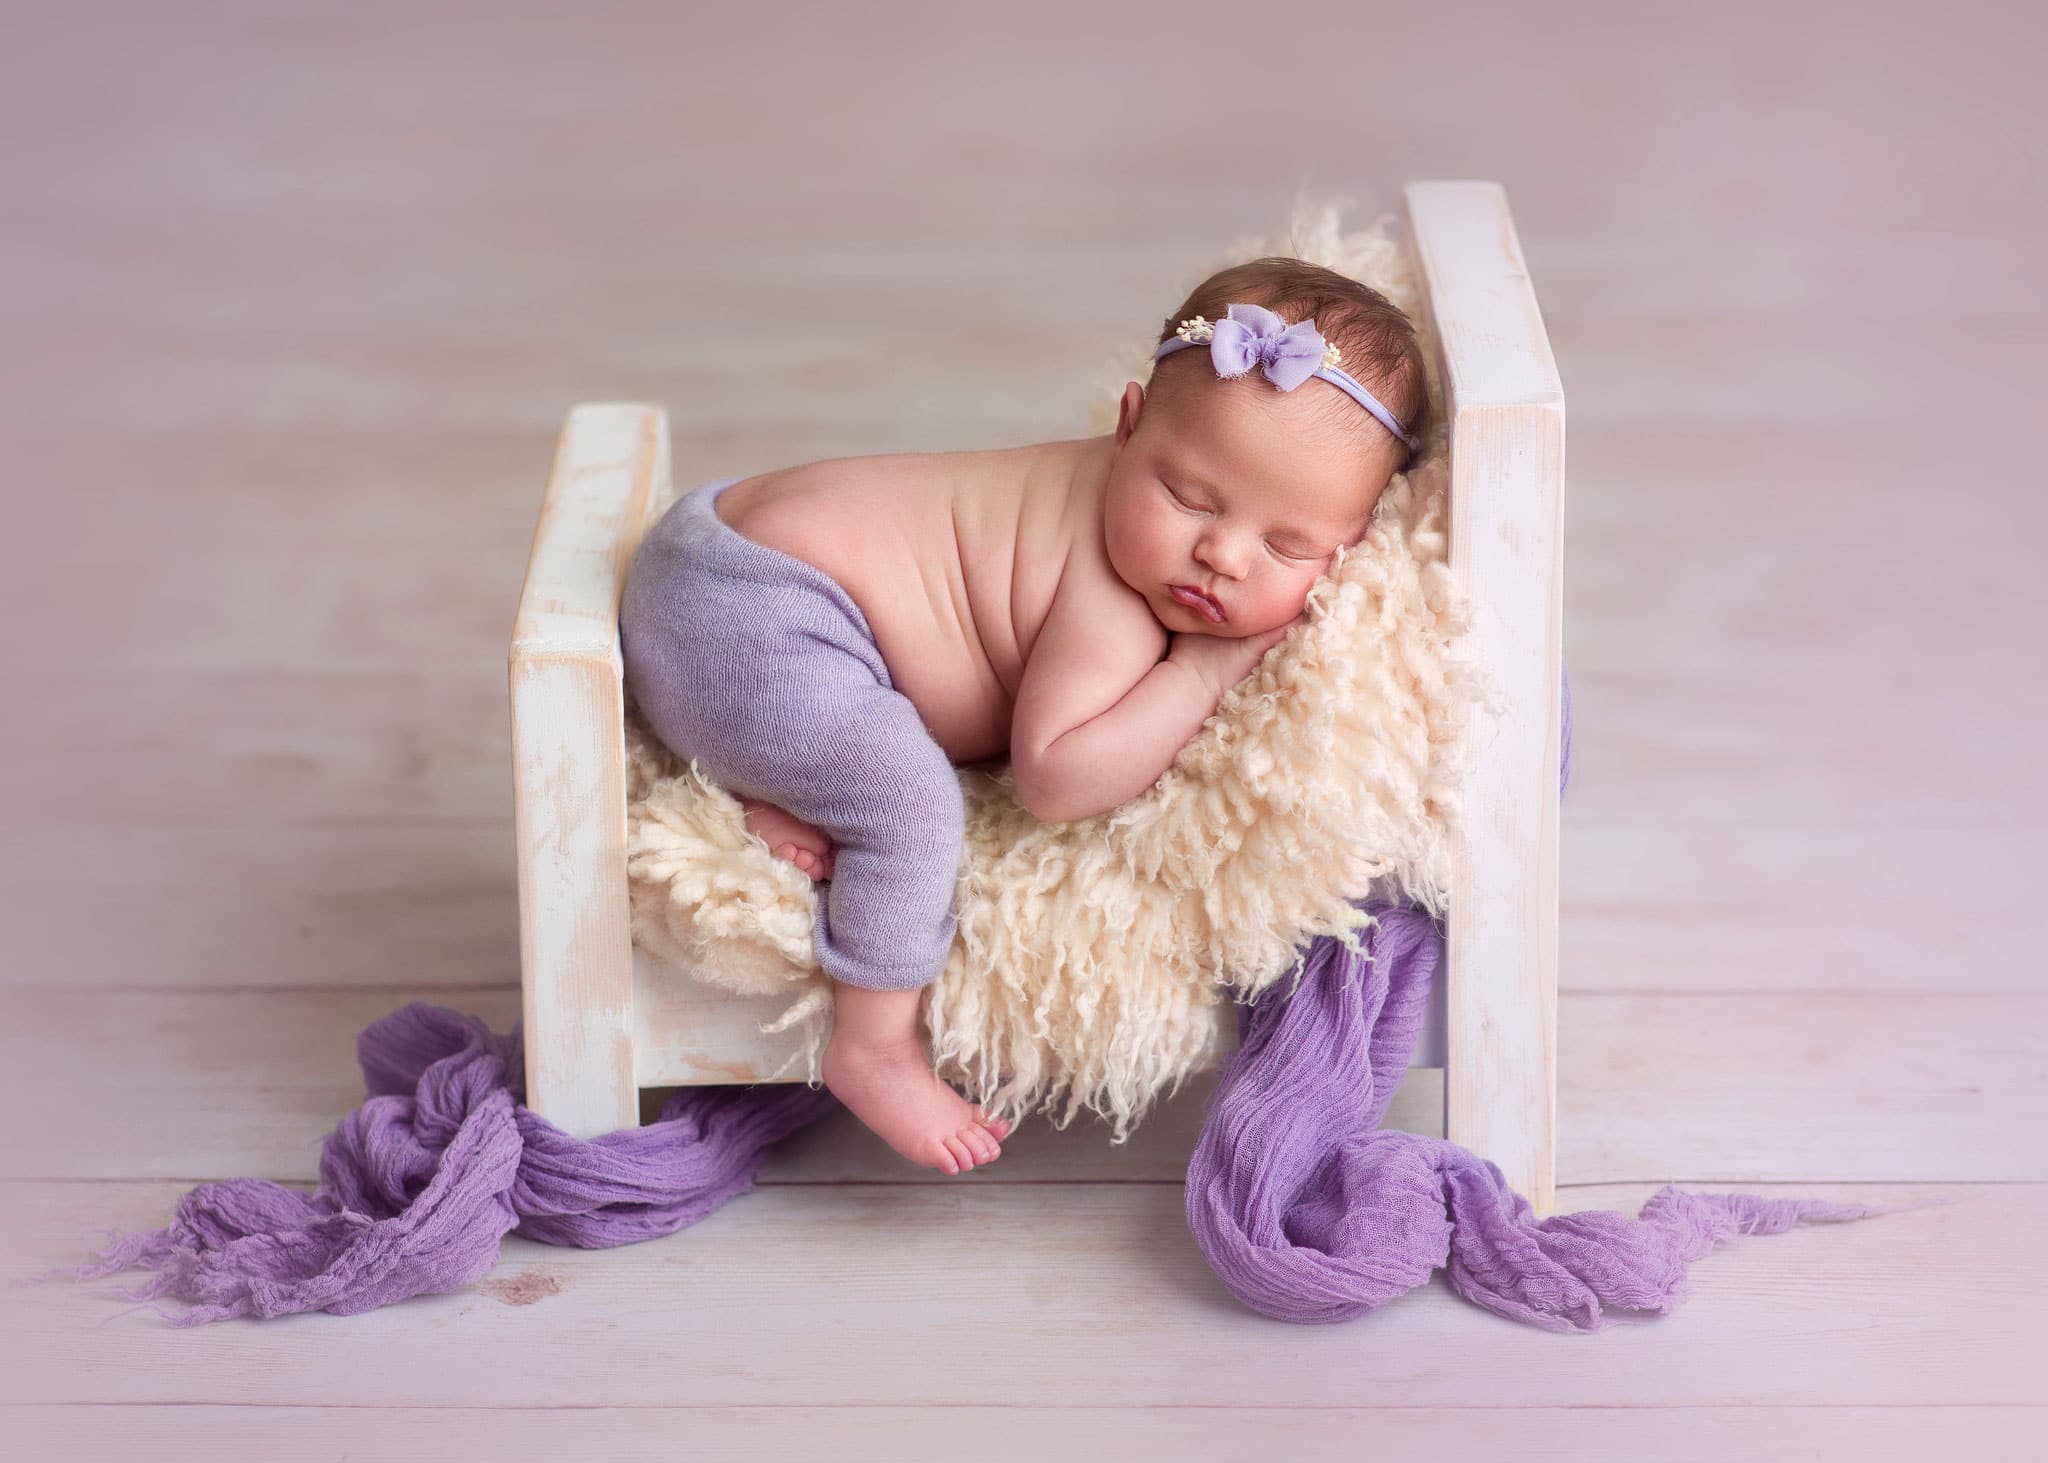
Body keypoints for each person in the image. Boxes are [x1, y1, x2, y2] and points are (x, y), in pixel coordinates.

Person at [618, 257, 1430, 1176]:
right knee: (914, 803)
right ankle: (874, 1047)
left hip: (708, 547)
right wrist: (1206, 675)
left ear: (1355, 541)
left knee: (866, 748)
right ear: (1127, 427)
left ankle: (787, 781)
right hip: (751, 620)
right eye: (1190, 498)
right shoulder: (1116, 596)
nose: (1221, 555)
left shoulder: (1140, 509)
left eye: (1289, 545)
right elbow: (1053, 777)